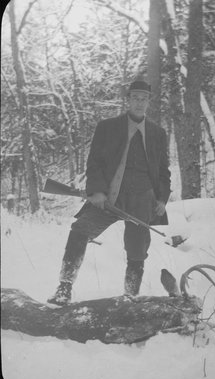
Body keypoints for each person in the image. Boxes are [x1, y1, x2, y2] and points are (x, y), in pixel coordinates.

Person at [48, 80, 171, 306]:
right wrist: (96, 191)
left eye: (144, 98)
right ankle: (64, 287)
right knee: (80, 230)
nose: (139, 102)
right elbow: (94, 162)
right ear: (128, 99)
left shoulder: (158, 133)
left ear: (149, 102)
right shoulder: (107, 127)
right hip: (110, 198)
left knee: (137, 250)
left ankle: (129, 298)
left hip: (142, 200)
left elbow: (163, 170)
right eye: (135, 97)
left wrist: (162, 198)